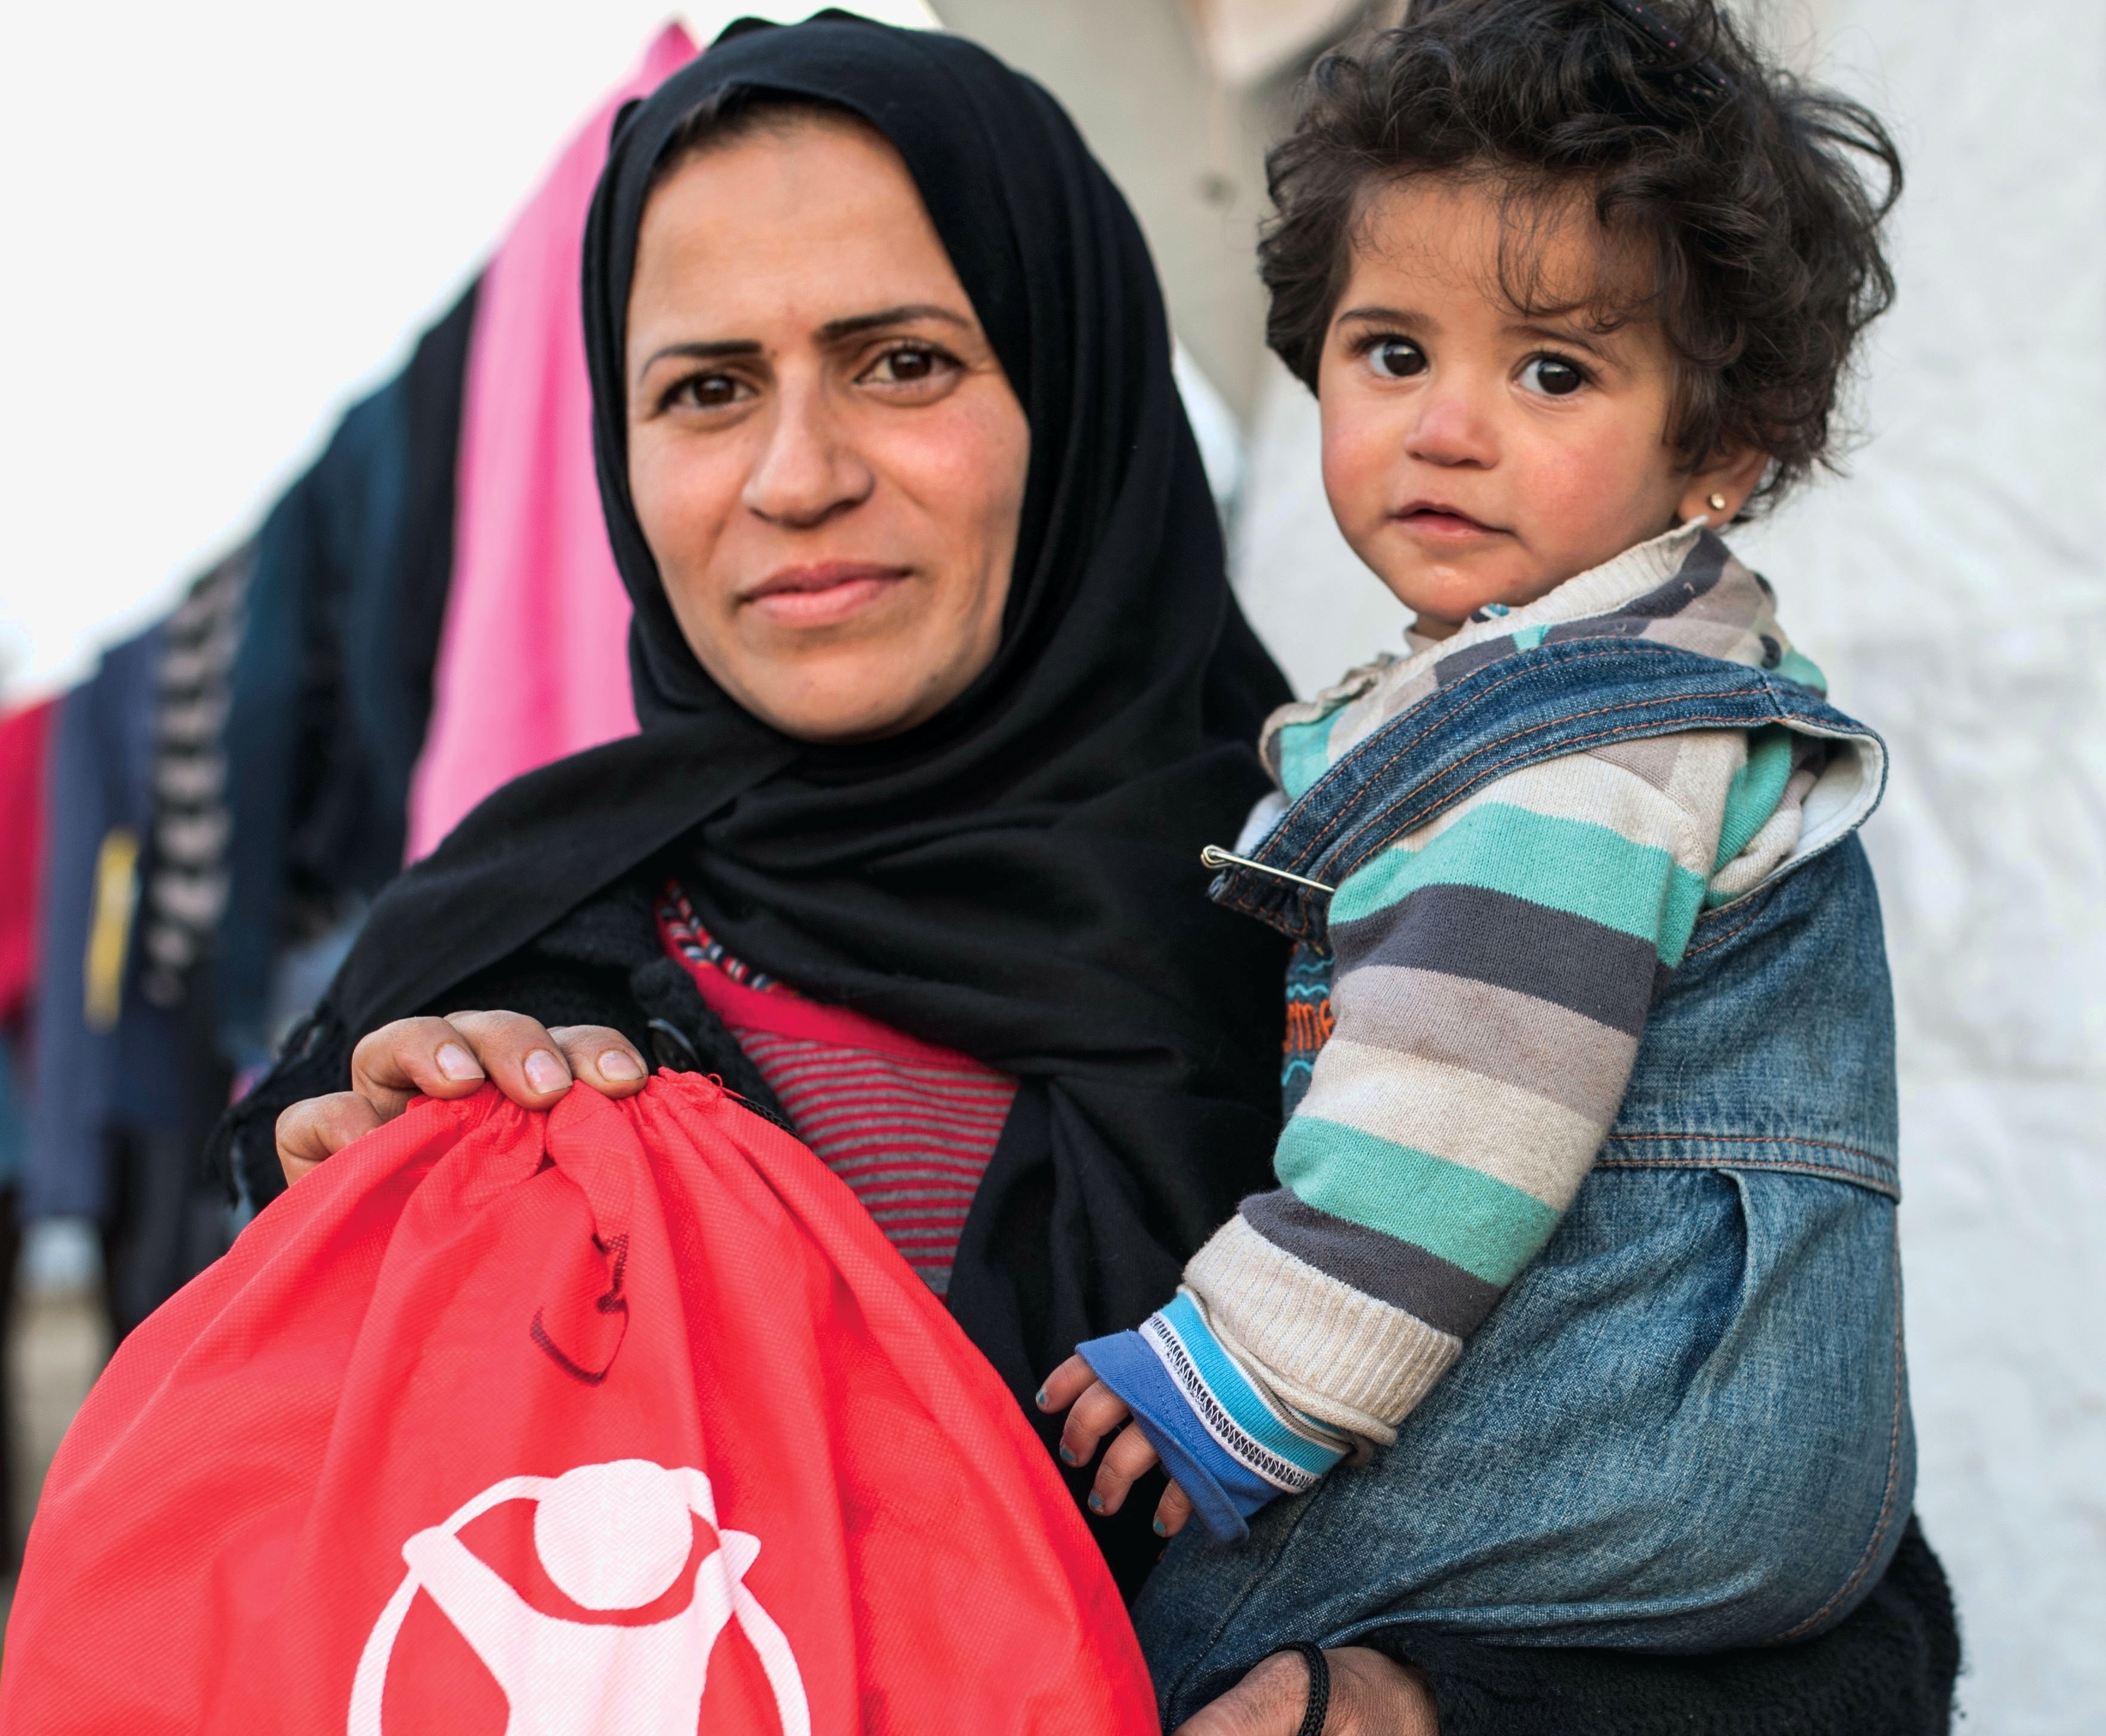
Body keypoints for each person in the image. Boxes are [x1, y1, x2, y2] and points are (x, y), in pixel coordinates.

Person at [240, 14, 1956, 1733]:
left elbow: (1850, 1629)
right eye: (703, 390)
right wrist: (358, 1231)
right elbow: (275, 1599)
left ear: (1071, 384)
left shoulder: (1356, 886)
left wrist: (1417, 1706)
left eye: (900, 362)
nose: (796, 476)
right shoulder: (498, 944)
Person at [1035, 0, 1916, 1707]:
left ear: (1717, 450)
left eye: (1550, 370)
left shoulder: (1571, 753)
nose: (1444, 427)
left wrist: (1240, 1372)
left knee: (1161, 1650)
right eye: (1391, 352)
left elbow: (1458, 1112)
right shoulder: (1590, 681)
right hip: (1746, 1462)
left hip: (1633, 1453)